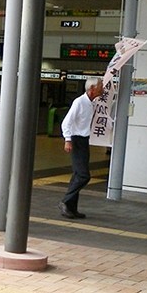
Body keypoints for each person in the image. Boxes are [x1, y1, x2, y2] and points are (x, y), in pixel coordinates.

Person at [59, 77, 104, 219]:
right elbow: (66, 122)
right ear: (92, 88)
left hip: (83, 140)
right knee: (84, 175)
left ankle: (71, 208)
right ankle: (65, 201)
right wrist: (68, 140)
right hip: (76, 140)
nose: (102, 88)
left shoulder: (91, 103)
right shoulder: (79, 102)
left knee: (78, 175)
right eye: (100, 86)